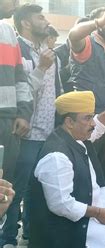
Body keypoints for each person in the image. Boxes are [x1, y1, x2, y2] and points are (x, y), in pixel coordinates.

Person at [30, 91, 105, 248]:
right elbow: (61, 205)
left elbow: (98, 125)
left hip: (84, 205)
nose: (93, 123)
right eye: (87, 118)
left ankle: (104, 231)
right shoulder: (57, 157)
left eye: (91, 116)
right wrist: (98, 212)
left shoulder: (75, 135)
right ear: (69, 122)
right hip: (63, 227)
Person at [1, 4, 61, 247]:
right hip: (24, 131)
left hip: (46, 132)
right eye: (40, 16)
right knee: (14, 187)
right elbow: (23, 87)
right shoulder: (19, 46)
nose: (45, 20)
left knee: (37, 188)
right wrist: (42, 68)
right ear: (26, 23)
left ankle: (31, 233)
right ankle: (8, 238)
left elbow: (55, 89)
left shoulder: (46, 50)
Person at [68, 4, 105, 184]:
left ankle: (99, 211)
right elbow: (73, 35)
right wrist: (100, 21)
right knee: (86, 173)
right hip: (89, 120)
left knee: (102, 171)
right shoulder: (88, 43)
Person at [0, 0, 33, 186]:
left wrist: (23, 113)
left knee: (5, 185)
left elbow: (20, 77)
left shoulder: (8, 32)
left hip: (8, 124)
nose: (16, 3)